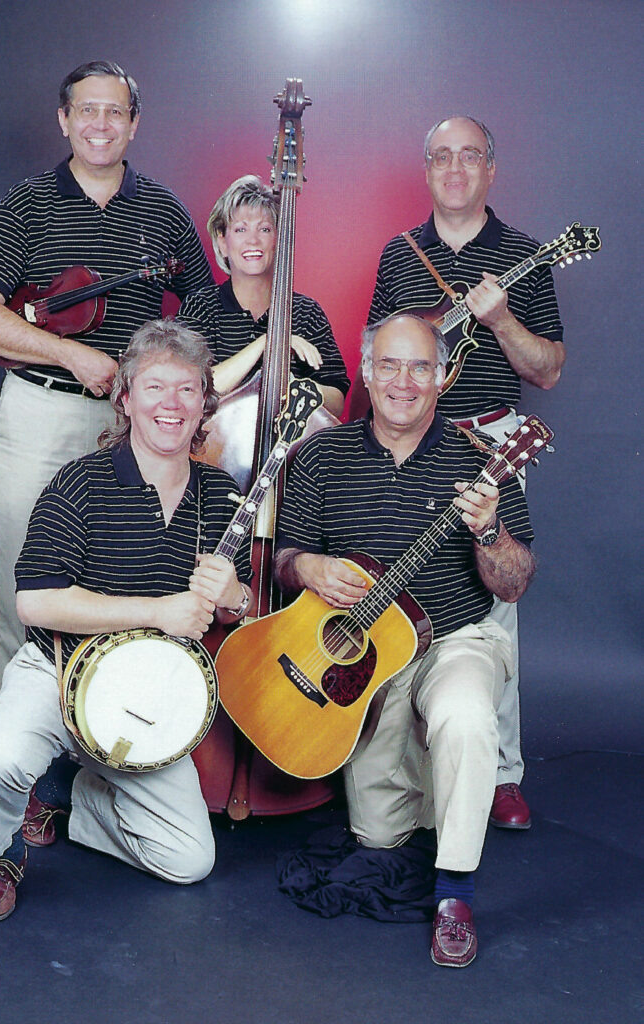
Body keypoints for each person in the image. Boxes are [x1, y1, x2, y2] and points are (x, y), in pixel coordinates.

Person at [0, 320, 253, 922]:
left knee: (189, 860)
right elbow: (35, 603)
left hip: (147, 696)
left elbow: (239, 608)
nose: (171, 405)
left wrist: (237, 596)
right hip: (60, 673)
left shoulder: (222, 495)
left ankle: (71, 797)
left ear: (205, 404)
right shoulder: (80, 481)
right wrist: (157, 612)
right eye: (154, 387)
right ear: (124, 397)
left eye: (188, 390)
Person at [275, 313, 536, 966]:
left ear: (442, 377)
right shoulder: (321, 456)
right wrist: (307, 567)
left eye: (420, 366)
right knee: (378, 836)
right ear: (365, 372)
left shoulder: (483, 462)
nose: (402, 381)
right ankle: (432, 787)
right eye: (388, 365)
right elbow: (284, 559)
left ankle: (454, 894)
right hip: (370, 658)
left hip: (454, 641)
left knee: (466, 716)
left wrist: (486, 532)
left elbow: (513, 583)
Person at [0, 61, 214, 715]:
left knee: (114, 591)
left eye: (116, 112)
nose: (101, 124)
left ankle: (104, 760)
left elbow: (207, 309)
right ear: (65, 120)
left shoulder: (160, 211)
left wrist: (160, 377)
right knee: (23, 596)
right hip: (41, 414)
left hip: (129, 431)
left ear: (133, 124)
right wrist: (70, 353)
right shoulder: (28, 203)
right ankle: (14, 782)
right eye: (87, 110)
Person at [365, 115, 565, 829]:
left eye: (469, 156)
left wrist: (504, 319)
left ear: (490, 169)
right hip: (403, 442)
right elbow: (376, 351)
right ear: (426, 170)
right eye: (441, 157)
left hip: (488, 445)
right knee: (395, 596)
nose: (455, 168)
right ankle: (404, 769)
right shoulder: (399, 254)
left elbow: (546, 370)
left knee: (491, 608)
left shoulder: (525, 254)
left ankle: (499, 771)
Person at [177, 174, 349, 415]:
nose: (253, 240)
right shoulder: (200, 307)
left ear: (279, 240)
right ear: (223, 241)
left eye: (265, 229)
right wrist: (269, 342)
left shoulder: (307, 312)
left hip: (290, 450)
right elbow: (190, 388)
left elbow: (336, 401)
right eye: (240, 229)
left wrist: (292, 387)